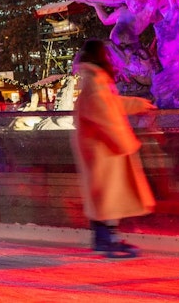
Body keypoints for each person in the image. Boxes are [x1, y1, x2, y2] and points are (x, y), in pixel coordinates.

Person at [70, 39, 156, 259]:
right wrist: (124, 142)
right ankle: (107, 240)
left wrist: (137, 104)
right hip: (104, 148)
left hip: (101, 147)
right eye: (106, 54)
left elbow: (110, 104)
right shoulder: (94, 81)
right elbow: (103, 111)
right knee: (108, 196)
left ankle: (103, 239)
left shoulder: (94, 80)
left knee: (105, 195)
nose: (110, 57)